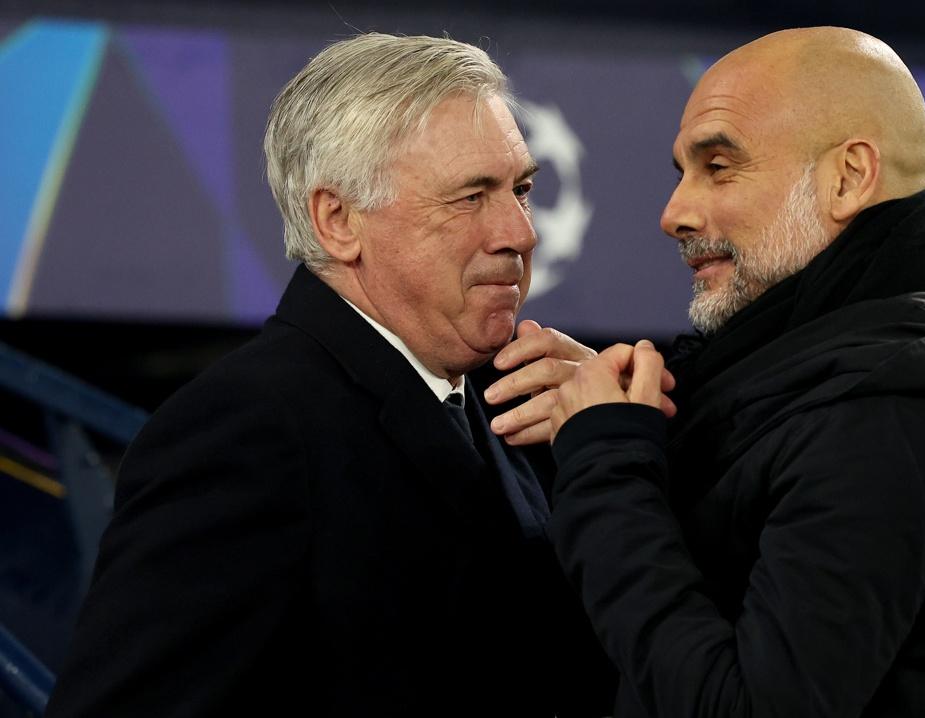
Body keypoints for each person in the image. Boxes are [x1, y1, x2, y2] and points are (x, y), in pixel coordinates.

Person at [489, 27, 925, 717]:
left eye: (719, 166)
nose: (674, 214)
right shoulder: (832, 376)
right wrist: (628, 411)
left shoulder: (885, 425)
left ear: (848, 178)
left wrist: (608, 467)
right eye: (682, 173)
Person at [45, 33, 610, 717]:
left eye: (521, 189)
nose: (521, 233)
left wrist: (619, 455)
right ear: (338, 221)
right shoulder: (246, 430)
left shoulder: (516, 402)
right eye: (471, 197)